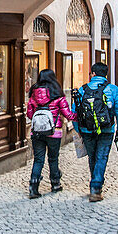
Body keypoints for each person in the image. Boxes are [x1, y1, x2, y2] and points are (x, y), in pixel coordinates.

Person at [72, 62, 118, 202]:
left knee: (92, 156)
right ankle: (96, 187)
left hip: (87, 130)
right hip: (106, 129)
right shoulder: (112, 89)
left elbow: (75, 112)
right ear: (105, 74)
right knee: (101, 157)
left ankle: (95, 183)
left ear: (93, 74)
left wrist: (78, 130)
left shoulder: (83, 90)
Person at [25, 69, 77, 199]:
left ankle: (33, 187)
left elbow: (29, 114)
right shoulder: (57, 94)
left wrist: (40, 121)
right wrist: (79, 117)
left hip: (37, 132)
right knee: (53, 158)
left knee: (38, 159)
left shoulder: (33, 94)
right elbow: (68, 114)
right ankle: (55, 184)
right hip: (55, 131)